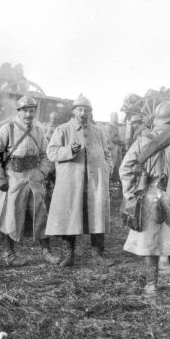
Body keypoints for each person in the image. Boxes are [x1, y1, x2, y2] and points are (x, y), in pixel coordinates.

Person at [119, 100, 170, 297]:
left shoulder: (143, 139)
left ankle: (151, 285)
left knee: (149, 239)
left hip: (148, 193)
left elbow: (125, 169)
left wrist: (130, 194)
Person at [0, 95, 61, 267]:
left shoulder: (39, 131)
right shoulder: (8, 129)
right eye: (25, 110)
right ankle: (9, 253)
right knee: (10, 215)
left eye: (31, 111)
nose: (28, 114)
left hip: (34, 179)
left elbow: (46, 154)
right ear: (18, 111)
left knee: (40, 213)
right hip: (13, 178)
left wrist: (42, 172)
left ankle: (47, 252)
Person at [46, 94, 115, 267]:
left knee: (97, 215)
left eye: (87, 110)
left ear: (91, 112)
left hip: (95, 181)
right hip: (71, 182)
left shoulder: (98, 131)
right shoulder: (62, 130)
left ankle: (97, 255)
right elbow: (51, 153)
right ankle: (69, 255)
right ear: (74, 111)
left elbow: (107, 153)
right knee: (70, 215)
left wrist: (107, 169)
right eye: (80, 109)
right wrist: (69, 150)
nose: (83, 113)